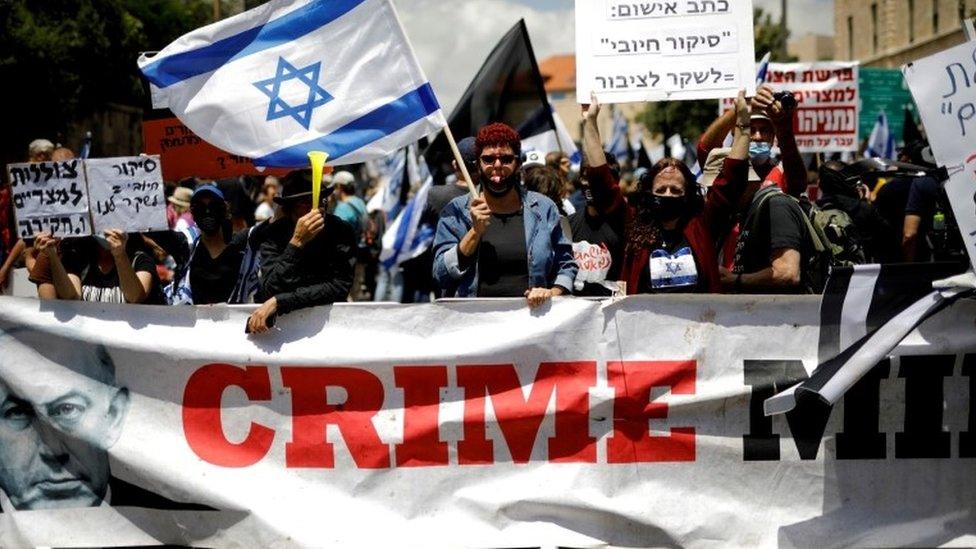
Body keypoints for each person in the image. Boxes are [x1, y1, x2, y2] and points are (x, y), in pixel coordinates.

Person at [0, 328, 209, 511]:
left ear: (114, 415)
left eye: (67, 409)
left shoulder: (187, 528)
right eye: (17, 413)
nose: (52, 449)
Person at [585, 92, 751, 294]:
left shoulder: (702, 224)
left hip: (699, 324)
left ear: (688, 194)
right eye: (661, 189)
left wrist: (743, 124)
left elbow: (731, 181)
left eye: (676, 190)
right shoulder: (634, 225)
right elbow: (602, 184)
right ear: (649, 192)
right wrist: (591, 122)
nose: (668, 194)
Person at [432, 123, 577, 306]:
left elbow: (566, 265)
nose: (498, 165)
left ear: (518, 164)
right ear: (478, 164)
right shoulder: (456, 212)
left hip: (534, 324)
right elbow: (440, 275)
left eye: (506, 159)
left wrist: (552, 292)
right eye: (489, 159)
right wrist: (474, 232)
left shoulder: (543, 208)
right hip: (473, 325)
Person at [247, 170, 356, 334]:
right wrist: (296, 243)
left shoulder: (339, 230)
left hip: (329, 328)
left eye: (318, 202)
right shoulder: (274, 234)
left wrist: (281, 301)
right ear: (289, 209)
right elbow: (269, 290)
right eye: (304, 203)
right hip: (282, 334)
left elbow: (339, 286)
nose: (314, 211)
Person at [32, 229, 166, 304]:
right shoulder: (77, 256)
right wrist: (52, 255)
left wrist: (119, 254)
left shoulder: (140, 259)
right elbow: (71, 296)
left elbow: (135, 297)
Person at [167, 185, 250, 305]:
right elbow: (155, 233)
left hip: (234, 322)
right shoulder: (186, 247)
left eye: (214, 207)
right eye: (200, 208)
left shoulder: (240, 247)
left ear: (224, 210)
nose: (207, 212)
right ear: (193, 214)